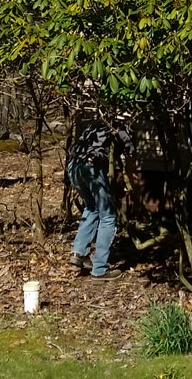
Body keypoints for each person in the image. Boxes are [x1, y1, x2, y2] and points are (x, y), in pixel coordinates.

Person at [67, 112, 130, 279]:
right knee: (108, 217)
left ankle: (78, 254)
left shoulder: (94, 126)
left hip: (73, 166)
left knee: (91, 207)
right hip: (92, 168)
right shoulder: (119, 127)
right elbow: (130, 151)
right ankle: (100, 269)